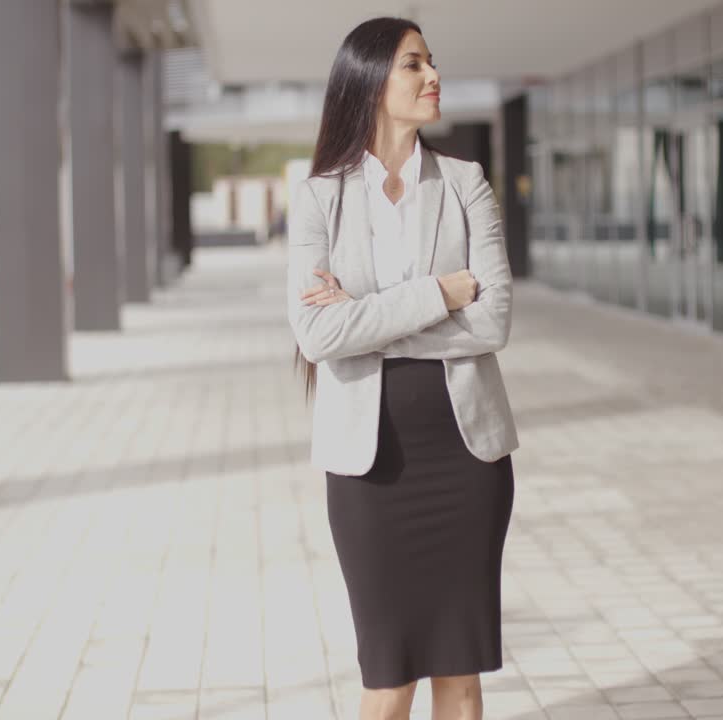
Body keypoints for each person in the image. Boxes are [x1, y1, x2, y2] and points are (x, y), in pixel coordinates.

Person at [285, 16, 519, 720]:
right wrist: (436, 294)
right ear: (369, 81)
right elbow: (319, 332)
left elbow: (493, 321)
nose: (433, 76)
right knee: (387, 680)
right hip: (369, 468)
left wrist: (371, 318)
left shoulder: (466, 183)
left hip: (466, 459)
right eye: (413, 65)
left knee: (460, 676)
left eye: (431, 62)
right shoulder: (319, 195)